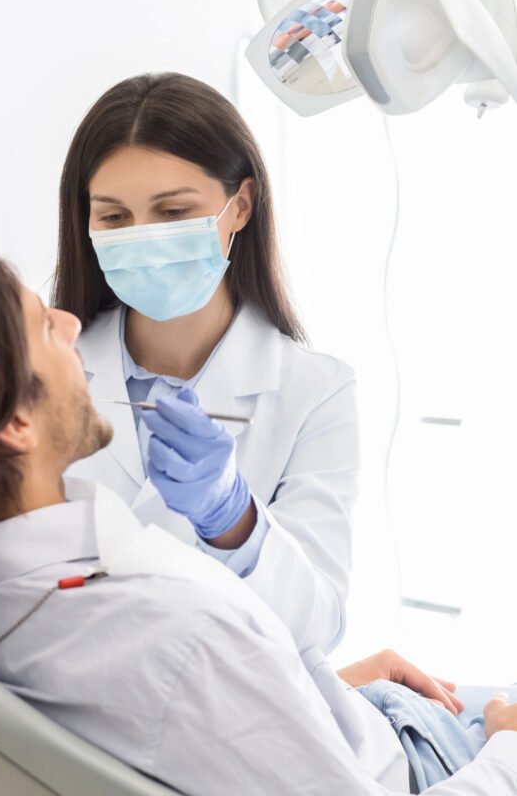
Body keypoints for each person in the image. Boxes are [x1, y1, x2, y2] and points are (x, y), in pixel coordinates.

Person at [0, 224, 517, 795]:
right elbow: (191, 679)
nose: (71, 322)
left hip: (342, 717)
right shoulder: (179, 639)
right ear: (17, 422)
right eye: (45, 327)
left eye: (174, 212)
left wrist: (293, 689)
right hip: (426, 767)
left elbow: (208, 723)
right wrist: (509, 751)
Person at [52, 72, 360, 656]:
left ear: (239, 206)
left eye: (173, 212)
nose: (144, 238)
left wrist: (232, 519)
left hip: (223, 717)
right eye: (115, 218)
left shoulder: (315, 391)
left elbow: (316, 627)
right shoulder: (40, 370)